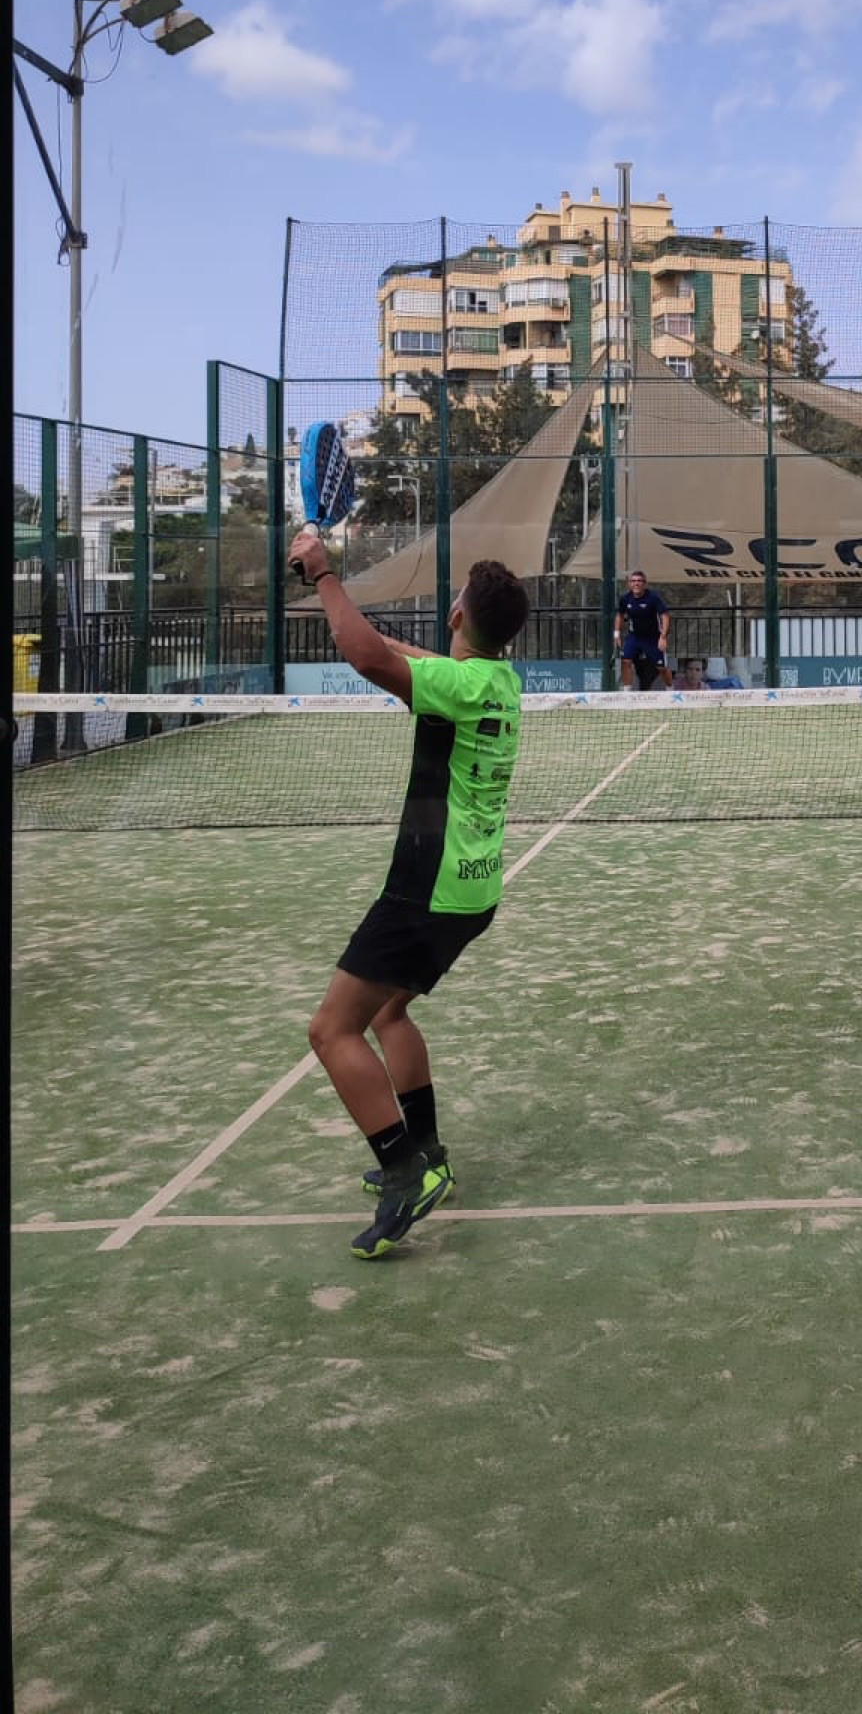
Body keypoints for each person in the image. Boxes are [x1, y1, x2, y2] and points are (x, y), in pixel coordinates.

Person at [292, 532, 531, 1260]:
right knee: (390, 1011)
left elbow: (371, 661)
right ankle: (428, 1150)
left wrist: (325, 577)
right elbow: (399, 654)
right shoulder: (497, 680)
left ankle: (406, 1173)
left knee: (332, 1031)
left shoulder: (457, 687)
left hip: (425, 890)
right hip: (473, 891)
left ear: (457, 615)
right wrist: (358, 621)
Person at [615, 568, 671, 690]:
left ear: (644, 584)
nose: (636, 583)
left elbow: (665, 616)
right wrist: (617, 634)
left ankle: (671, 689)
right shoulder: (625, 599)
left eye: (639, 581)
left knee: (661, 667)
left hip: (652, 638)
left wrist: (663, 637)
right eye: (633, 581)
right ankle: (626, 691)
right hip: (634, 637)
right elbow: (620, 615)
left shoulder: (653, 598)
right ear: (629, 584)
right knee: (626, 661)